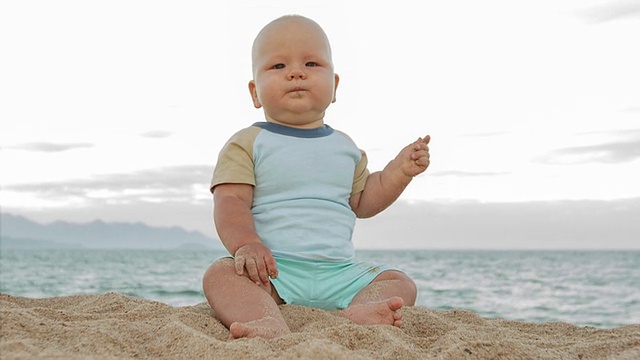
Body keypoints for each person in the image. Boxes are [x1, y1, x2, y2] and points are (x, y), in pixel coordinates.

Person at [202, 14, 431, 340]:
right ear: (255, 93)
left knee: (399, 282)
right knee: (221, 274)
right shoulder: (248, 142)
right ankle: (263, 319)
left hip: (340, 272)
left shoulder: (346, 147)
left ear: (334, 86)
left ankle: (358, 314)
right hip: (273, 273)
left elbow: (363, 201)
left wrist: (399, 171)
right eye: (278, 66)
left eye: (311, 63)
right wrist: (246, 244)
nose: (296, 72)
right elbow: (231, 200)